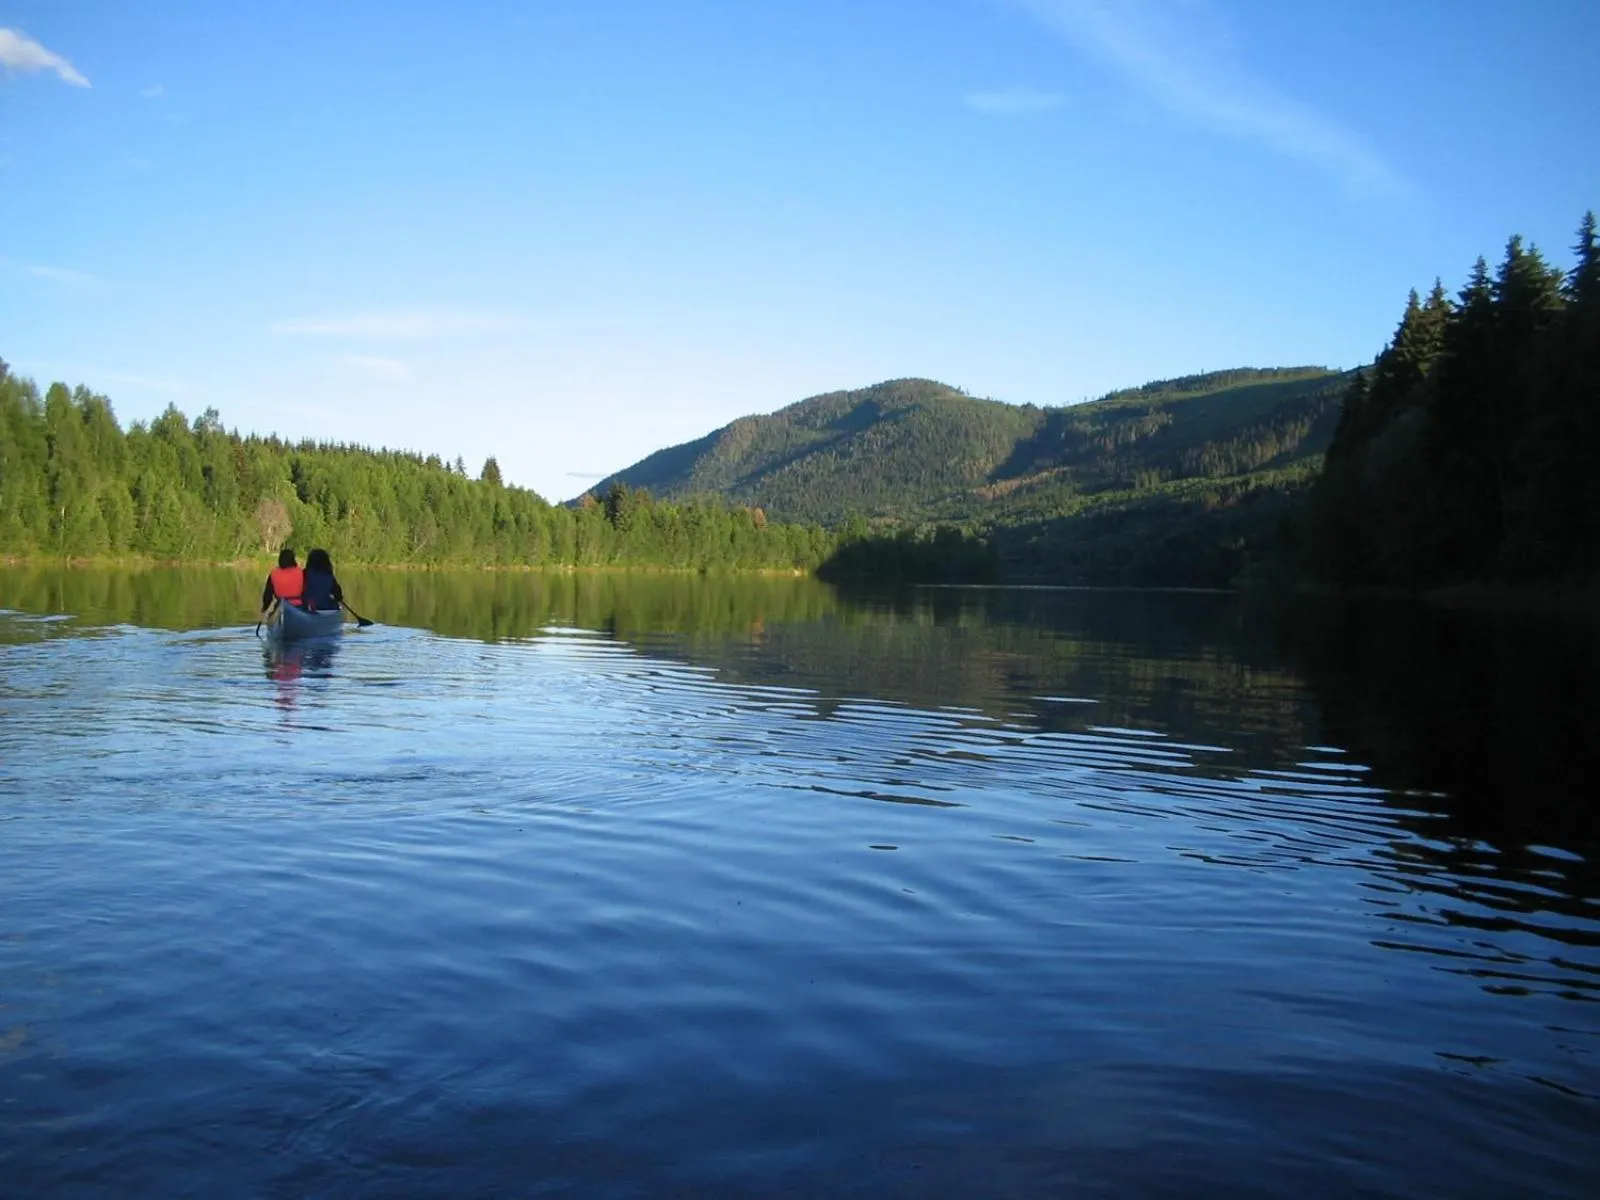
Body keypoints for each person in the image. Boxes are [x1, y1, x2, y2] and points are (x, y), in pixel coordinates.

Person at [261, 547, 304, 614]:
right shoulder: (301, 572)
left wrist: (265, 607)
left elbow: (267, 596)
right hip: (299, 607)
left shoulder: (273, 574)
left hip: (281, 606)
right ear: (293, 559)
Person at [302, 548, 344, 613]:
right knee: (333, 603)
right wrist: (338, 598)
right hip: (325, 607)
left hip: (308, 606)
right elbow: (338, 595)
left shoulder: (305, 573)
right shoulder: (329, 576)